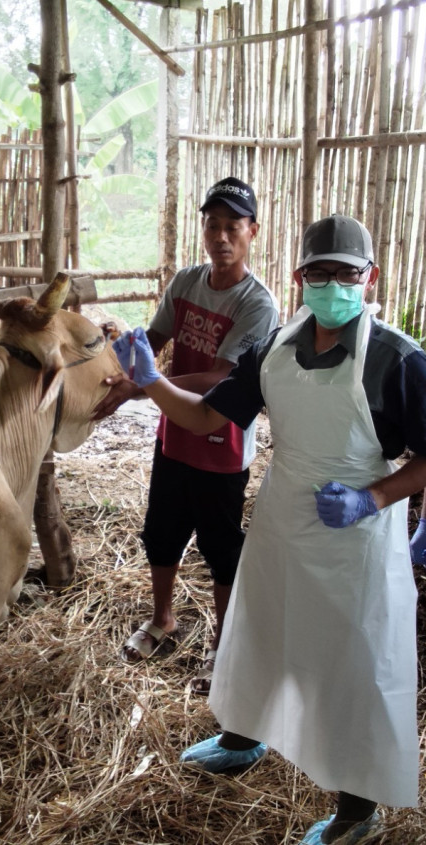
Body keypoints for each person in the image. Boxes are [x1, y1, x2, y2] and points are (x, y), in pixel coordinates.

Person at [110, 214, 426, 844]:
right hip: (284, 517)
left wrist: (375, 496)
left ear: (371, 278)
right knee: (261, 627)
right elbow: (203, 419)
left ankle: (358, 809)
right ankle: (242, 736)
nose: (332, 284)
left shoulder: (398, 360)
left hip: (354, 533)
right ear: (299, 277)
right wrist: (150, 381)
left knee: (352, 661)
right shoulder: (273, 349)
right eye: (319, 272)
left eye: (346, 273)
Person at [93, 177, 279, 693]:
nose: (221, 237)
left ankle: (223, 643)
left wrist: (145, 384)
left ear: (252, 233)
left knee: (221, 548)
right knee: (162, 531)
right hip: (175, 433)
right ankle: (163, 620)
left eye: (232, 227)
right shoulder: (187, 282)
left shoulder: (257, 304)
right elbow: (152, 340)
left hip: (223, 445)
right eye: (212, 225)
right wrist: (122, 362)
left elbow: (224, 377)